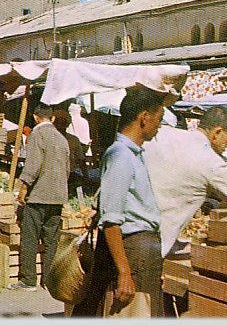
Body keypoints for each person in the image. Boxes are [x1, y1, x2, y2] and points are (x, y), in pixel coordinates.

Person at [76, 85, 166, 317]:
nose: (159, 126)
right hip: (134, 249)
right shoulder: (121, 156)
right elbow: (111, 220)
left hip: (142, 251)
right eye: (159, 119)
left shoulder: (132, 154)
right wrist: (125, 272)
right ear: (144, 118)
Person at [144, 106, 227, 257]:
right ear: (217, 133)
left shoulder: (163, 133)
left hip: (127, 230)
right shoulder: (212, 162)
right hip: (153, 246)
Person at [9, 104, 70, 292]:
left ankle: (28, 280)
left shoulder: (37, 135)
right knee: (52, 240)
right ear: (51, 119)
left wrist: (23, 188)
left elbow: (33, 165)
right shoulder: (62, 139)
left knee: (30, 238)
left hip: (39, 196)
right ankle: (48, 280)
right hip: (58, 196)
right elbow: (67, 169)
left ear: (35, 118)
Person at [53, 109, 89, 196]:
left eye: (63, 122)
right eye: (58, 122)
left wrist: (86, 177)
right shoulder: (48, 139)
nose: (60, 125)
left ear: (67, 124)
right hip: (52, 174)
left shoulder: (73, 140)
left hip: (68, 175)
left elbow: (81, 160)